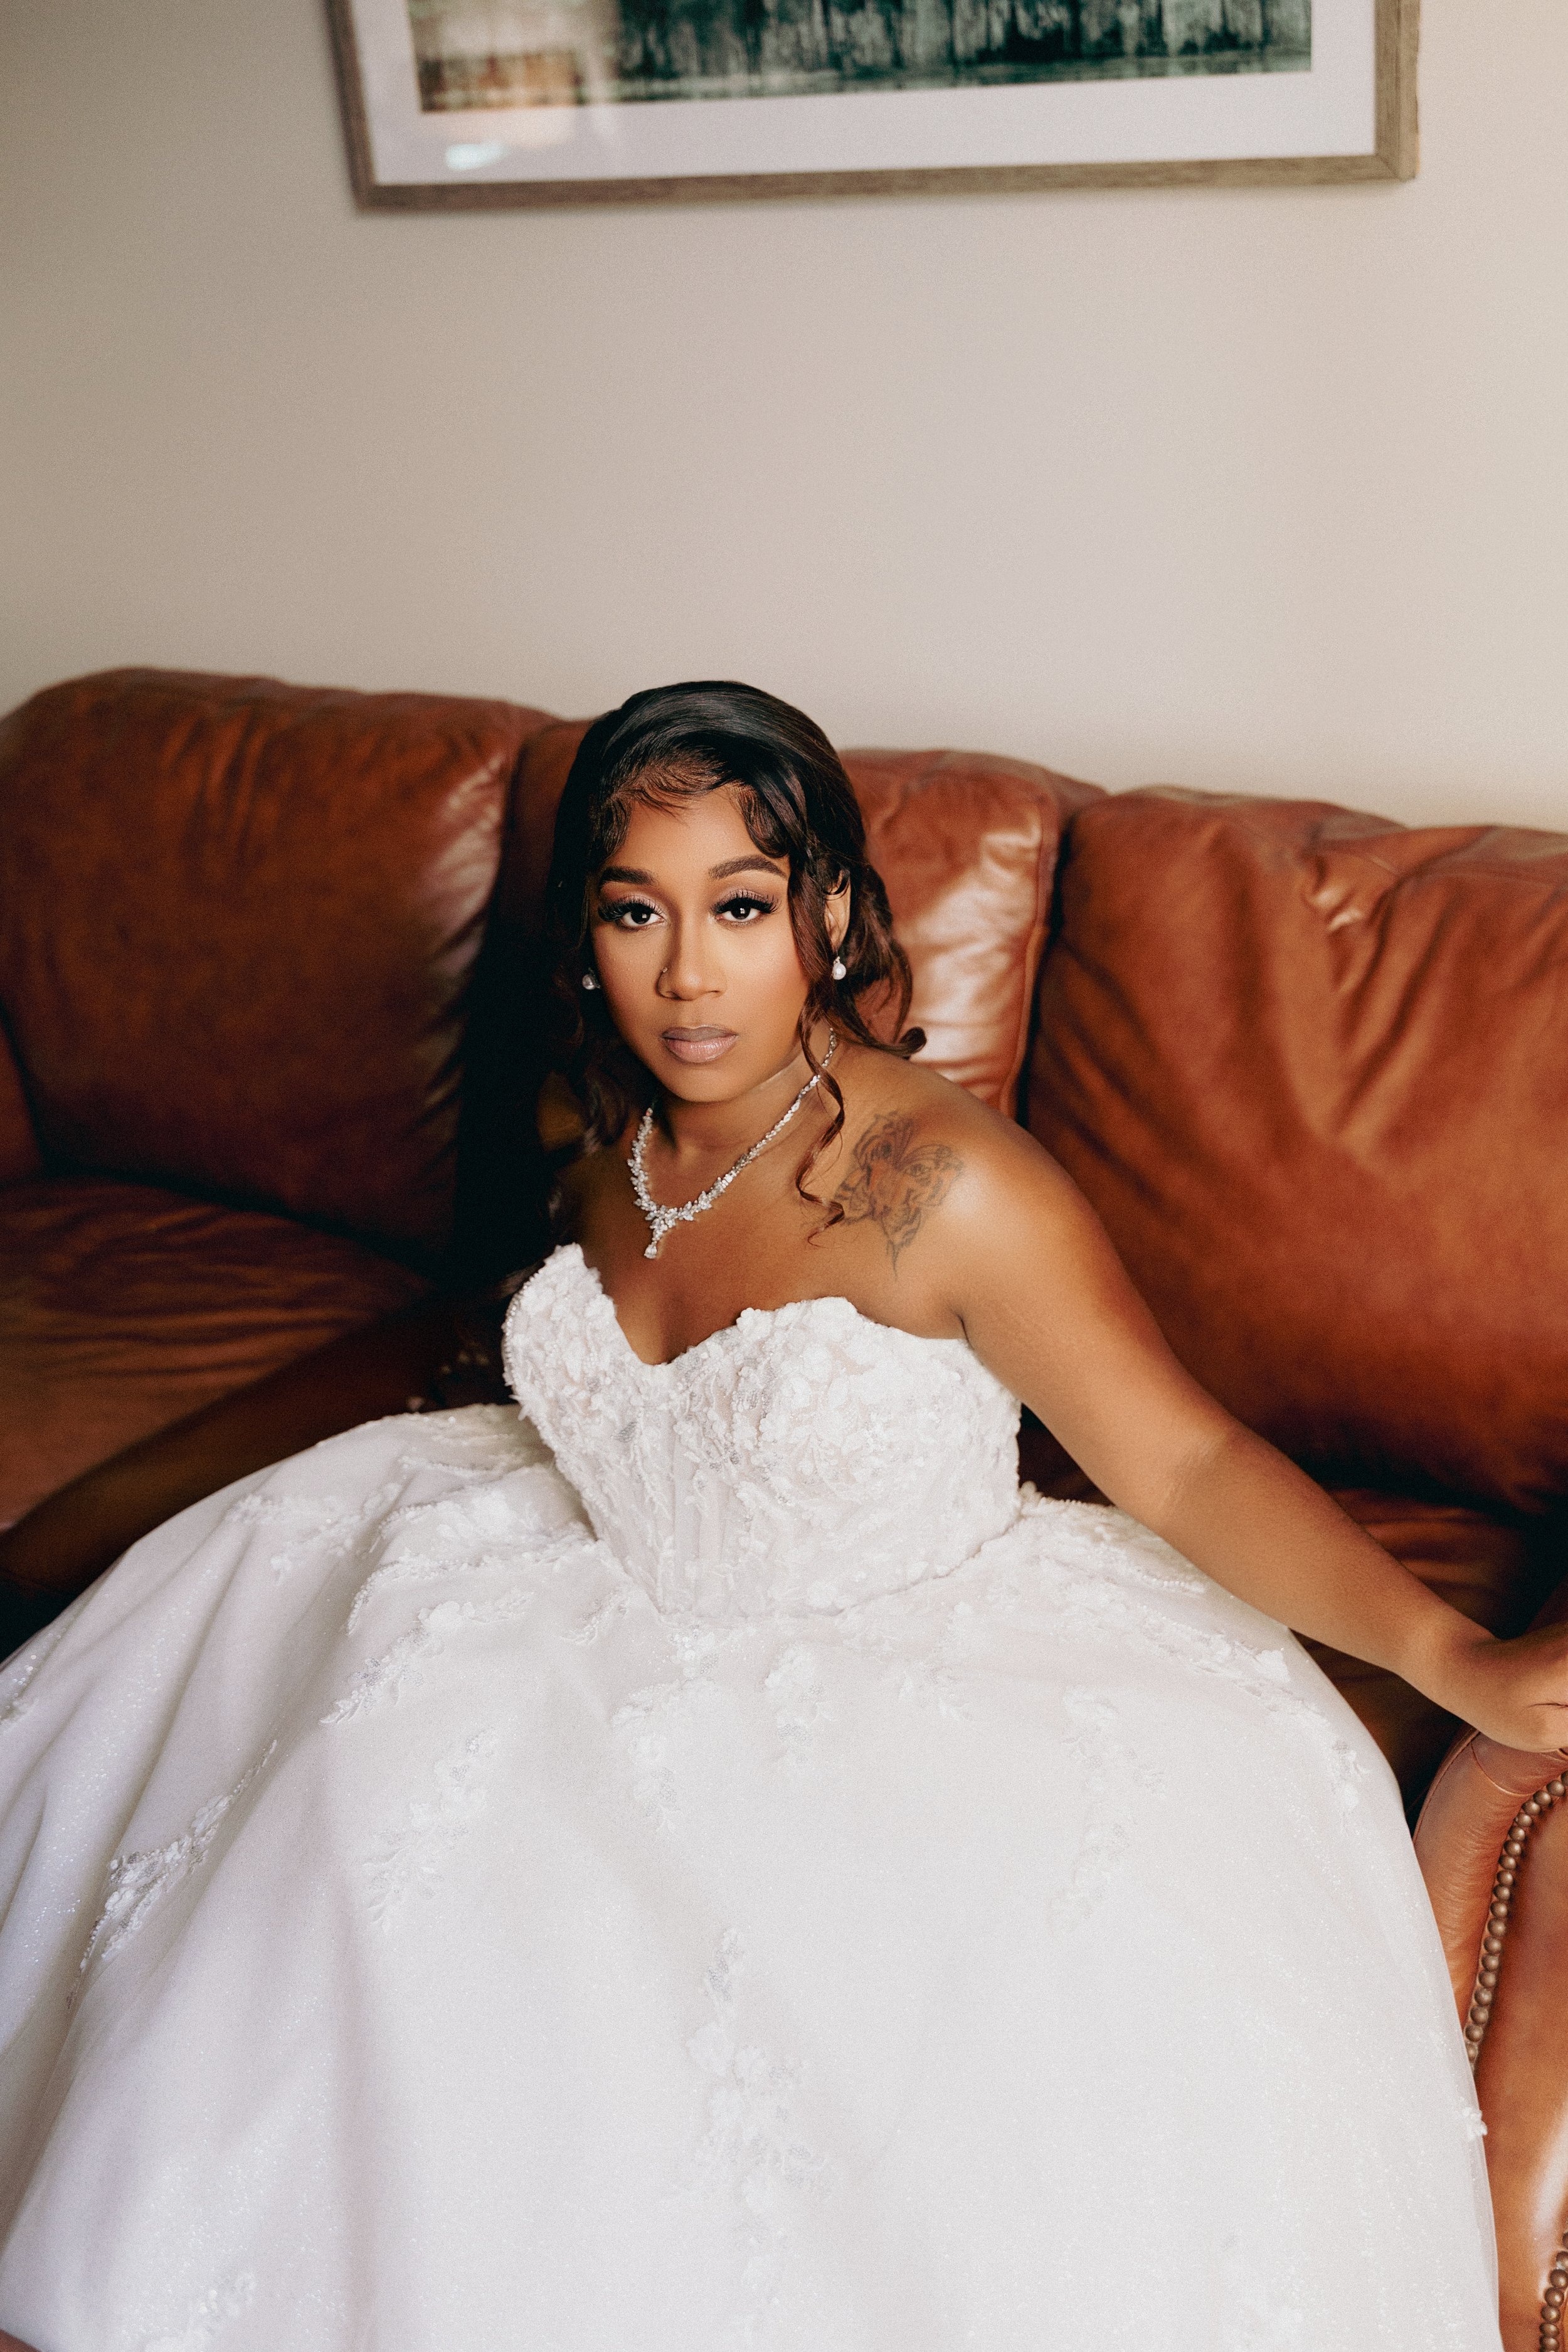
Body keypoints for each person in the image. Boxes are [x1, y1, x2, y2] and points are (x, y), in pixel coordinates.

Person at [0, 680, 1542, 2351]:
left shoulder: (933, 1188)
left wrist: (1448, 1654)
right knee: (331, 1849)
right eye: (633, 912)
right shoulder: (586, 1118)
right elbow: (507, 1318)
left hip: (896, 1675)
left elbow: (1176, 1464)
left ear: (826, 914)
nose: (684, 974)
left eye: (738, 908)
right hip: (566, 1591)